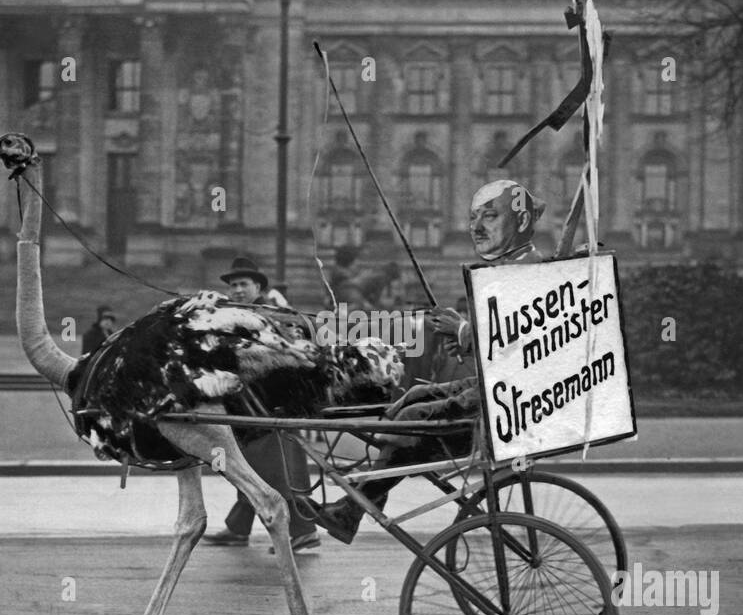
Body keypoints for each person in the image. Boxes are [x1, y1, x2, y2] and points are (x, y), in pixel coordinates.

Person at [308, 180, 547, 543]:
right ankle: (358, 503)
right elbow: (501, 340)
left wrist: (464, 330)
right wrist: (463, 341)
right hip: (495, 385)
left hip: (507, 399)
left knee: (411, 419)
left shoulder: (527, 269)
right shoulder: (508, 266)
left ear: (521, 222)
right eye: (473, 217)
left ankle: (355, 505)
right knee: (412, 399)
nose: (477, 226)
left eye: (491, 216)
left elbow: (527, 340)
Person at [202, 257, 322, 552]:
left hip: (273, 404)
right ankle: (239, 528)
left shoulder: (274, 313)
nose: (237, 290)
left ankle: (303, 530)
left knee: (277, 471)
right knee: (255, 466)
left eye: (243, 284)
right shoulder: (242, 313)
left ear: (258, 286)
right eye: (233, 286)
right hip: (253, 403)